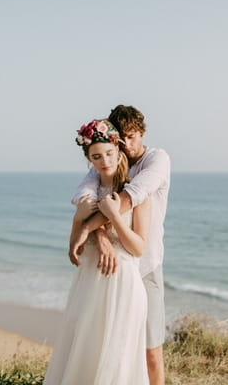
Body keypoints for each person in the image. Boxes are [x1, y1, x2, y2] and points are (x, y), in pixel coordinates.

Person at [44, 119, 150, 384]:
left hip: (123, 282)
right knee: (84, 353)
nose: (105, 161)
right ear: (89, 160)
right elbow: (73, 247)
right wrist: (93, 231)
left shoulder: (135, 193)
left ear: (118, 150)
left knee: (118, 359)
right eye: (96, 157)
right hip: (90, 282)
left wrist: (113, 217)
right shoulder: (87, 198)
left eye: (109, 154)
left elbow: (138, 248)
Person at [70, 105, 170, 385]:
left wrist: (89, 227)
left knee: (150, 349)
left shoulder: (156, 160)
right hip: (111, 272)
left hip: (146, 263)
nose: (127, 144)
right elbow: (84, 193)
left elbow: (127, 199)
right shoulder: (110, 161)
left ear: (142, 133)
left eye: (133, 136)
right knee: (114, 348)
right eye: (122, 138)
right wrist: (99, 235)